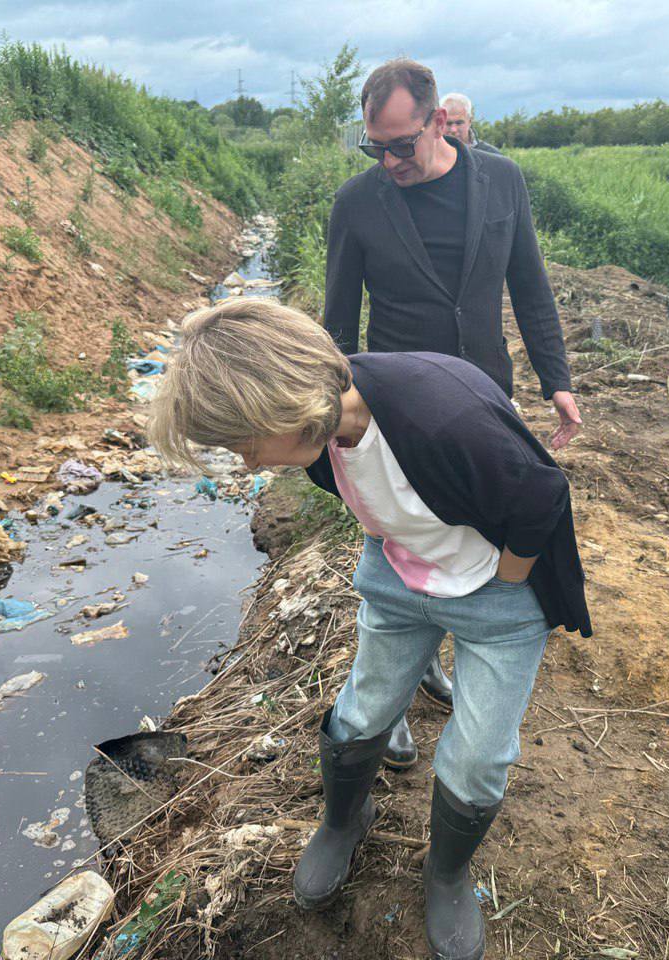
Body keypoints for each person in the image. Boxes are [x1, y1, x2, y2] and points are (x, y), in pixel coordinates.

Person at [149, 298, 591, 960]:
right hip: (396, 577)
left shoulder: (444, 417)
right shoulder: (318, 437)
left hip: (497, 601)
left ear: (280, 408)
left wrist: (502, 582)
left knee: (479, 754)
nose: (246, 465)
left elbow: (542, 497)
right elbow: (379, 496)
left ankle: (445, 873)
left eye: (243, 446)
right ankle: (344, 819)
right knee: (362, 710)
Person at [327, 57, 583, 765]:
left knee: (473, 534)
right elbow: (338, 324)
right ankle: (395, 692)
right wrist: (333, 423)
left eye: (400, 145)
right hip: (393, 412)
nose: (388, 160)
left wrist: (555, 378)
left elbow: (529, 285)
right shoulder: (357, 203)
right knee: (398, 541)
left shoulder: (499, 180)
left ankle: (447, 661)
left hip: (483, 396)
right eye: (375, 147)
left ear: (440, 121)